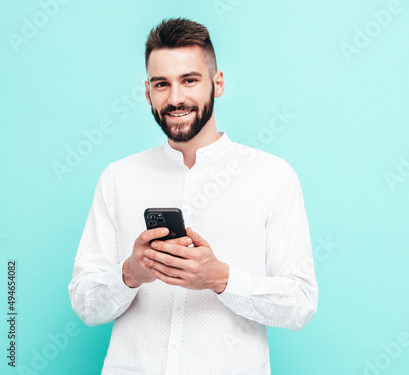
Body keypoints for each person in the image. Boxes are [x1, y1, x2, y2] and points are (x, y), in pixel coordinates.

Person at [68, 18, 317, 374]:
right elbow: (84, 302)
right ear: (147, 91)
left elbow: (301, 304)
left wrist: (220, 278)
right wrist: (130, 273)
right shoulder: (118, 179)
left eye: (189, 80)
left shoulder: (272, 177)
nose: (175, 98)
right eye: (161, 84)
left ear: (217, 83)